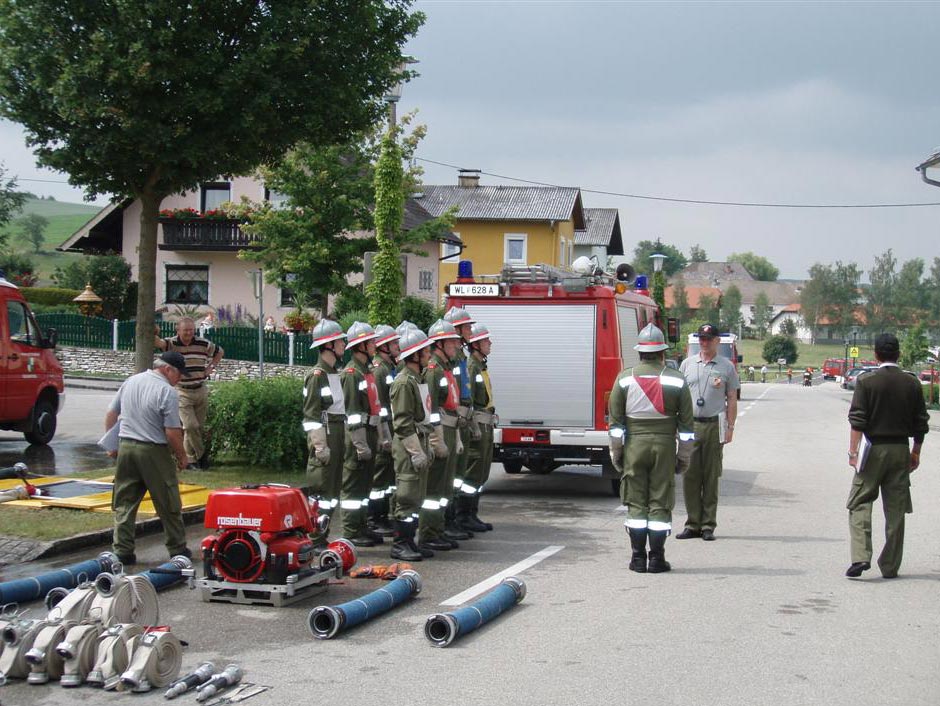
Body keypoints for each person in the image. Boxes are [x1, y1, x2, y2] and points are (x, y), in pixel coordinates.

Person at [608, 324, 694, 573]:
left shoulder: (624, 378)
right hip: (665, 446)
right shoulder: (677, 380)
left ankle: (637, 558)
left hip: (634, 446)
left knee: (636, 503)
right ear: (662, 352)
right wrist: (683, 458)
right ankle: (656, 558)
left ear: (640, 352)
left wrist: (617, 453)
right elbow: (687, 427)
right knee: (659, 499)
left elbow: (615, 424)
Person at [845, 333, 929, 579]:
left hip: (872, 448)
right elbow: (920, 422)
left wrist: (853, 452)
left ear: (876, 354)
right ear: (899, 355)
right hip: (901, 448)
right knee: (896, 508)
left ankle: (861, 556)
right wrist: (916, 451)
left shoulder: (867, 381)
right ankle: (890, 565)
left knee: (860, 501)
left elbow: (857, 420)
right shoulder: (911, 383)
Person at [104, 352, 191, 565]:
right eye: (179, 374)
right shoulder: (166, 391)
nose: (179, 379)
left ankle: (122, 550)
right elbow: (171, 431)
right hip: (152, 450)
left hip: (126, 447)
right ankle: (177, 548)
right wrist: (182, 456)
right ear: (168, 369)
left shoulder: (131, 380)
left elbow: (111, 414)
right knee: (168, 500)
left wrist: (111, 445)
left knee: (125, 501)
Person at [676, 323, 739, 541]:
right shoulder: (686, 365)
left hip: (714, 425)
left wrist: (731, 426)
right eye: (701, 339)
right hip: (691, 425)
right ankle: (692, 523)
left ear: (717, 341)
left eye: (709, 339)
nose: (704, 342)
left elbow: (731, 398)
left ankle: (708, 525)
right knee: (690, 475)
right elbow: (680, 397)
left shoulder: (726, 366)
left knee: (711, 476)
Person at [389, 328, 436, 561]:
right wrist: (416, 451)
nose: (429, 354)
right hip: (409, 446)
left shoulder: (418, 380)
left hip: (419, 441)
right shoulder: (404, 383)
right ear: (415, 355)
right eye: (426, 351)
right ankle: (400, 544)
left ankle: (411, 541)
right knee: (407, 495)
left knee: (417, 495)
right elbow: (403, 423)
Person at [418, 319, 463, 552]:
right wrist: (437, 440)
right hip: (441, 430)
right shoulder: (434, 371)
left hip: (450, 428)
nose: (456, 344)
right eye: (452, 341)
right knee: (434, 487)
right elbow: (431, 408)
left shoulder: (446, 368)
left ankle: (438, 528)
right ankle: (428, 532)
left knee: (444, 486)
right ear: (440, 344)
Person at [154, 318, 224, 469]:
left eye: (191, 330)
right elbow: (157, 343)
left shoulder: (203, 343)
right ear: (178, 330)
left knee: (196, 428)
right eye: (186, 330)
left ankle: (190, 461)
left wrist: (210, 367)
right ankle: (202, 456)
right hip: (182, 391)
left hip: (200, 388)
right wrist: (154, 330)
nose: (189, 333)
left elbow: (220, 352)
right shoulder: (171, 343)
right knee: (190, 426)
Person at [302, 319, 347, 545]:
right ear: (328, 344)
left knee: (332, 494)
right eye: (340, 340)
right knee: (321, 492)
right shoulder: (317, 376)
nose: (343, 344)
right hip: (326, 437)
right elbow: (311, 415)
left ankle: (322, 536)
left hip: (337, 435)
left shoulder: (334, 373)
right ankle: (314, 537)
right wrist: (320, 445)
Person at [339, 321, 382, 547]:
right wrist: (359, 444)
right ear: (361, 345)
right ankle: (351, 530)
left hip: (370, 432)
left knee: (365, 484)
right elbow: (352, 413)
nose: (375, 344)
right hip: (359, 436)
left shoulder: (367, 371)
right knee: (354, 485)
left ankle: (362, 525)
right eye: (371, 341)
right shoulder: (352, 374)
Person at [457, 322, 496, 533]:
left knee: (481, 473)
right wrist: (474, 427)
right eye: (485, 340)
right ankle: (464, 515)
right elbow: (468, 401)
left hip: (486, 423)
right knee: (472, 473)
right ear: (475, 345)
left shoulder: (480, 365)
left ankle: (472, 514)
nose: (490, 343)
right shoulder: (472, 366)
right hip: (478, 424)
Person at [442, 306, 477, 542]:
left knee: (458, 473)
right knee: (450, 474)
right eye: (465, 327)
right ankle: (447, 520)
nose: (469, 330)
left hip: (462, 417)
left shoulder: (460, 355)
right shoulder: (450, 358)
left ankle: (456, 517)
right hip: (452, 419)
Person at [367, 324, 401, 538]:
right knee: (379, 479)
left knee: (387, 479)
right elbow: (378, 405)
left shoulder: (389, 368)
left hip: (390, 427)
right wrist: (383, 436)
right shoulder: (380, 370)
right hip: (384, 428)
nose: (398, 346)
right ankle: (374, 519)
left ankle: (382, 516)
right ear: (384, 346)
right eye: (394, 343)